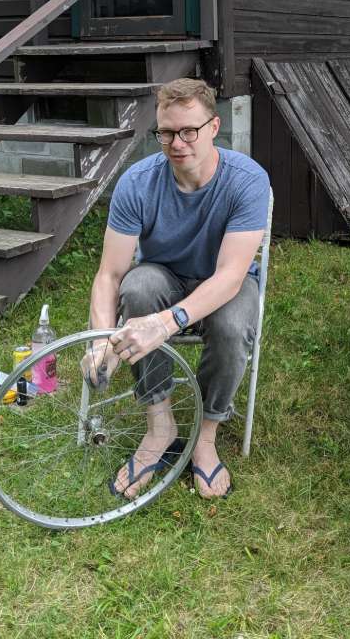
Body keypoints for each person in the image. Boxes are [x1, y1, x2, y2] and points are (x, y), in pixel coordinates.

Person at [81, 78, 269, 499]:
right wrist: (100, 342)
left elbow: (230, 277)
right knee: (139, 287)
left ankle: (205, 437)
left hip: (220, 281)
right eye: (166, 132)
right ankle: (159, 426)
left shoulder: (247, 181)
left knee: (233, 322)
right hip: (164, 273)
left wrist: (165, 325)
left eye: (189, 131)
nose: (176, 142)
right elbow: (109, 274)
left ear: (214, 127)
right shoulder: (137, 182)